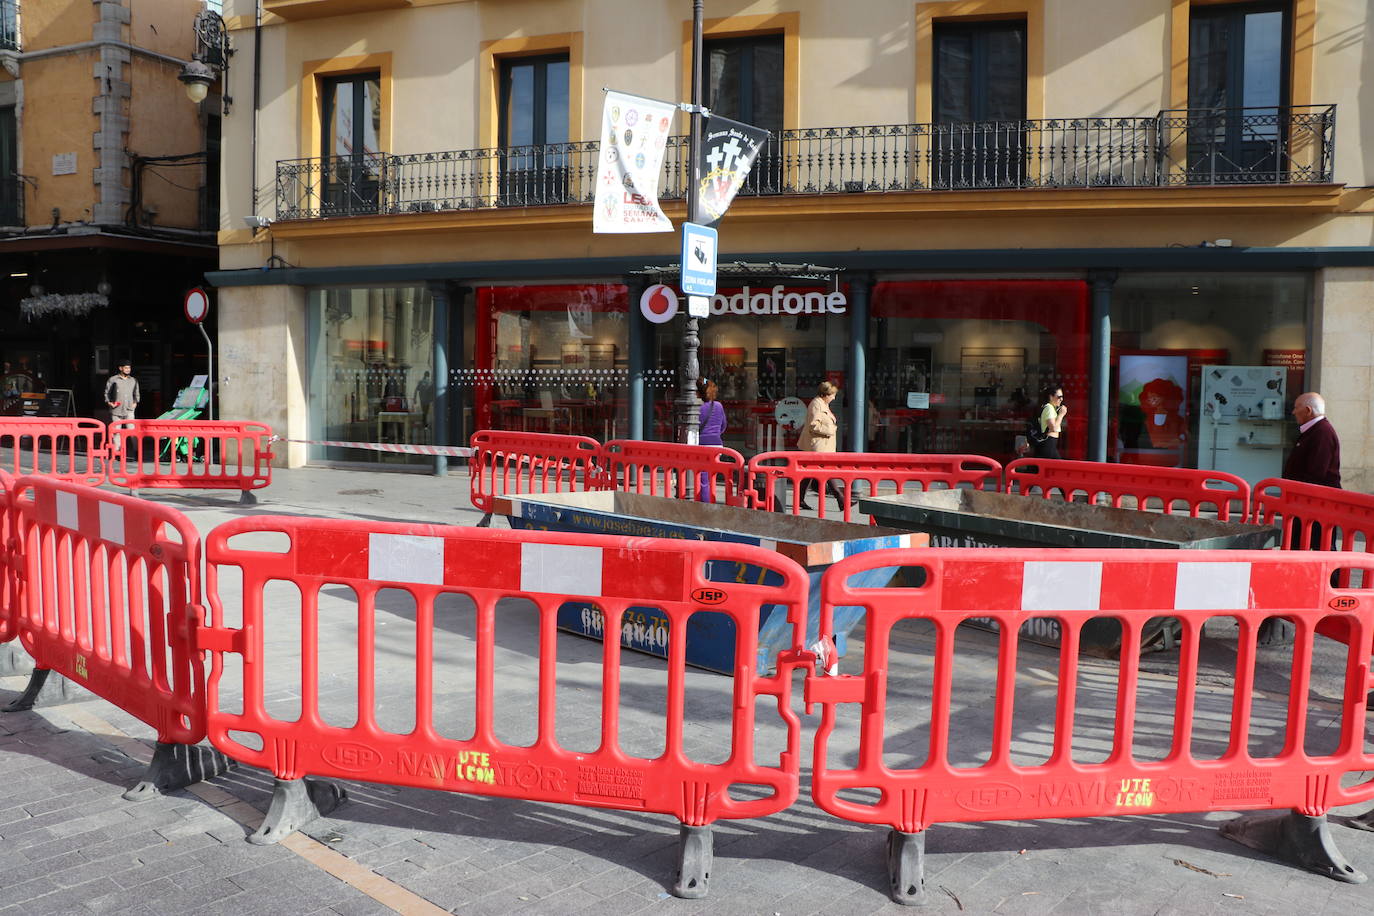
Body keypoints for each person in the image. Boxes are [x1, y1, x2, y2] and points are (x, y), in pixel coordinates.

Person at [797, 380, 853, 511]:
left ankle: (799, 499)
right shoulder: (817, 404)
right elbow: (813, 425)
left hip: (820, 445)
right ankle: (841, 499)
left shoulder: (822, 404)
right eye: (832, 394)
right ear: (825, 394)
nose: (834, 397)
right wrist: (830, 430)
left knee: (809, 475)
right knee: (827, 472)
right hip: (817, 446)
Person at [1282, 391, 1341, 489]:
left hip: (1316, 499)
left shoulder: (1322, 433)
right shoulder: (1314, 430)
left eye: (1296, 407)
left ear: (1308, 410)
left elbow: (1315, 474)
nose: (1293, 412)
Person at [695, 378, 726, 502]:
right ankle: (711, 501)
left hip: (702, 446)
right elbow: (723, 426)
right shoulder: (718, 406)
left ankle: (705, 504)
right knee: (712, 477)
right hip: (717, 445)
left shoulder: (697, 407)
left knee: (703, 479)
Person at [1033, 384, 1067, 459]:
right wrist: (1061, 415)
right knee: (1058, 466)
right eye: (1059, 397)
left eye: (1062, 397)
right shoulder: (1049, 408)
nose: (1061, 399)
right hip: (1048, 442)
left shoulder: (1051, 408)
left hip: (1050, 443)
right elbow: (1053, 428)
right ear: (1051, 397)